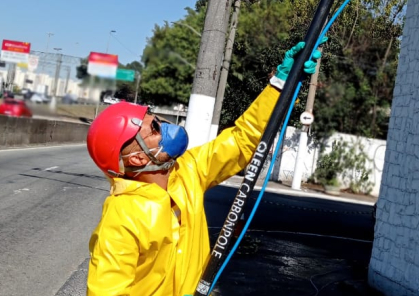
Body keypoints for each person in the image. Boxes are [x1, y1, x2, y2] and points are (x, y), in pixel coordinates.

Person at [85, 40, 324, 296]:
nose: (164, 125)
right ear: (137, 160)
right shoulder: (121, 219)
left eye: (156, 118)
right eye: (154, 128)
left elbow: (242, 139)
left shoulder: (188, 172)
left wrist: (280, 85)